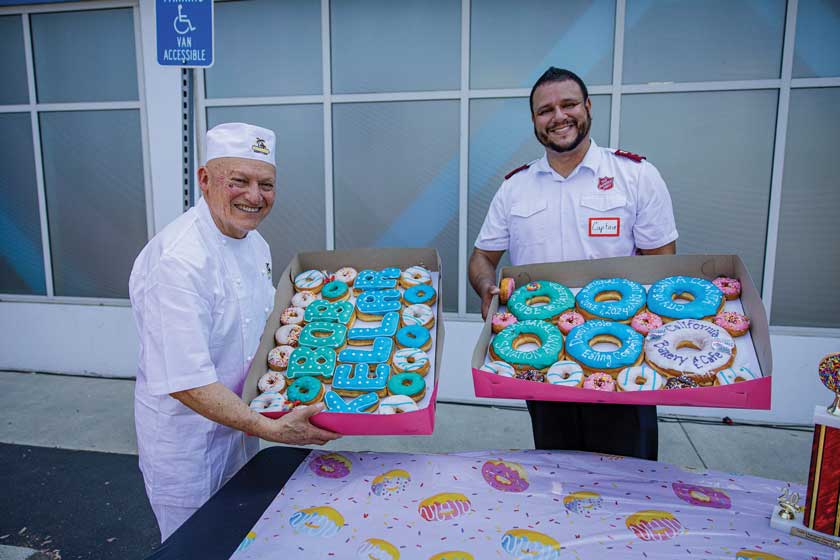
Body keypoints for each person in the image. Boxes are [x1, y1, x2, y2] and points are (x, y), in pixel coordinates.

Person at [129, 123, 341, 541]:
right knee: (194, 544)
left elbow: (265, 331)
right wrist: (273, 430)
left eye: (266, 184)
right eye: (239, 181)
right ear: (205, 179)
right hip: (189, 446)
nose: (254, 196)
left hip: (245, 426)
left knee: (240, 535)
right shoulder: (178, 261)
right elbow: (186, 381)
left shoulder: (254, 243)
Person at [469, 68, 678, 460]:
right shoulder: (515, 188)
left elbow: (661, 264)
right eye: (545, 110)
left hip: (620, 354)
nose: (558, 117)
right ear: (534, 120)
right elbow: (482, 256)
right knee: (556, 466)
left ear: (588, 107)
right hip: (541, 353)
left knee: (628, 468)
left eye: (568, 105)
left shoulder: (635, 176)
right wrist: (485, 288)